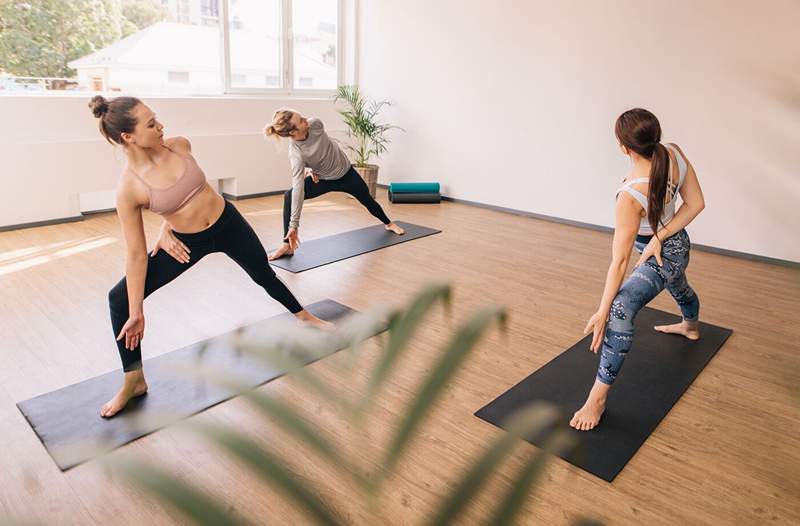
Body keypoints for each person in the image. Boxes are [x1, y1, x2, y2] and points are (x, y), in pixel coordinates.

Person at [89, 96, 331, 418]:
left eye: (157, 119)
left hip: (228, 224)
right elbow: (135, 255)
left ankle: (305, 317)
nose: (161, 126)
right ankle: (134, 379)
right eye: (151, 124)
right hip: (188, 243)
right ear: (128, 137)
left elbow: (185, 193)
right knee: (119, 299)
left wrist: (164, 225)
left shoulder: (179, 146)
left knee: (264, 275)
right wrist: (138, 310)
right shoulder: (129, 189)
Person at [572, 108, 706, 431]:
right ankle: (690, 326)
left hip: (659, 254)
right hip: (678, 246)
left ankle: (598, 398)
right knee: (679, 286)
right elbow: (697, 203)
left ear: (624, 147)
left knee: (621, 307)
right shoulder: (673, 152)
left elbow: (619, 262)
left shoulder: (630, 193)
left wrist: (602, 311)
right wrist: (662, 236)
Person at [264, 109, 405, 260]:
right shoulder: (296, 153)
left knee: (367, 199)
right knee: (289, 195)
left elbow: (321, 149)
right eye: (301, 120)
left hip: (346, 174)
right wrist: (294, 225)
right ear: (293, 132)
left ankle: (388, 223)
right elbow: (298, 186)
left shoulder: (315, 124)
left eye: (302, 116)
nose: (306, 119)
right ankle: (287, 245)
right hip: (322, 180)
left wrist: (311, 168)